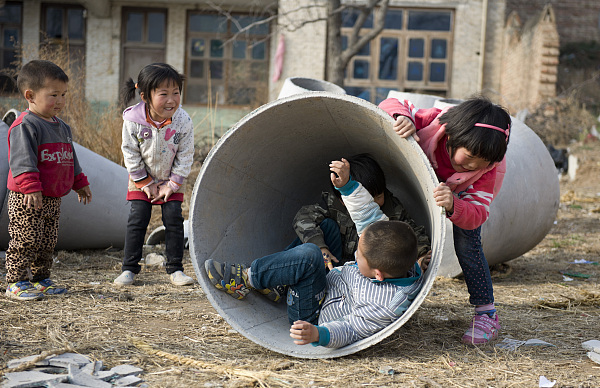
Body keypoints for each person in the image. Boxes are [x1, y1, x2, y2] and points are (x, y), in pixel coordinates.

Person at [205, 158, 427, 349]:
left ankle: (246, 279)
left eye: (359, 256)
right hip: (327, 286)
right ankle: (276, 284)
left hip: (313, 313)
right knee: (315, 249)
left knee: (310, 256)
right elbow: (368, 216)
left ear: (377, 275)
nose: (355, 257)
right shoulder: (394, 259)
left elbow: (351, 329)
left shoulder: (384, 305)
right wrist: (348, 185)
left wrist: (319, 334)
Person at [378, 96, 512, 345]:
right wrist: (403, 118)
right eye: (469, 156)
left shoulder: (486, 170)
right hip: (422, 178)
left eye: (482, 163)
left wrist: (454, 204)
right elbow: (392, 103)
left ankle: (486, 313)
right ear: (452, 136)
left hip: (462, 196)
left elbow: (477, 214)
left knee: (468, 242)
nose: (472, 165)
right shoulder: (435, 121)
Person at [5, 59, 92, 301]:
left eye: (64, 94)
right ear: (30, 95)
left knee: (47, 240)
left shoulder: (61, 127)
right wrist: (31, 188)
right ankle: (16, 281)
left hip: (52, 197)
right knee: (25, 238)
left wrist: (80, 181)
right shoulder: (25, 125)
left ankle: (40, 278)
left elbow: (70, 158)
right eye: (54, 95)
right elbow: (22, 161)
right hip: (28, 197)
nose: (61, 101)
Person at [114, 63, 195, 287]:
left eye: (176, 93)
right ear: (145, 96)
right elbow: (129, 152)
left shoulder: (183, 121)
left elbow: (186, 154)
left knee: (174, 220)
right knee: (137, 220)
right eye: (163, 94)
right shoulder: (132, 120)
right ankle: (129, 269)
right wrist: (145, 182)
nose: (171, 100)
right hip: (141, 179)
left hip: (172, 179)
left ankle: (176, 269)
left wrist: (172, 184)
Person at [292, 153, 431, 270]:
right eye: (367, 199)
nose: (373, 203)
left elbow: (412, 233)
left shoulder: (392, 210)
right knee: (327, 226)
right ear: (343, 199)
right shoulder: (333, 204)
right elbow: (303, 217)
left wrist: (420, 256)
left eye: (379, 196)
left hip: (366, 269)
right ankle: (287, 272)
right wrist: (320, 248)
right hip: (332, 262)